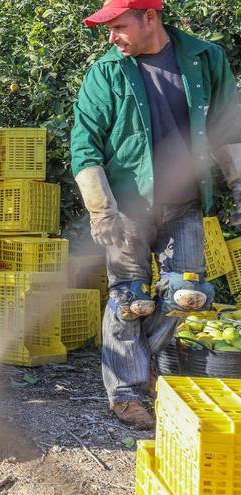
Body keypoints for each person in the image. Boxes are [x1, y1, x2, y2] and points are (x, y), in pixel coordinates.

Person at [71, 0, 241, 428]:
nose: (111, 38)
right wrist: (101, 211)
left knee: (188, 293)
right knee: (129, 298)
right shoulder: (105, 73)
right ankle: (126, 393)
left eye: (118, 27)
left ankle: (139, 365)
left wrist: (239, 183)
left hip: (185, 201)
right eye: (107, 30)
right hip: (126, 207)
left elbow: (229, 127)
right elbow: (84, 146)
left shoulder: (205, 59)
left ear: (150, 17)